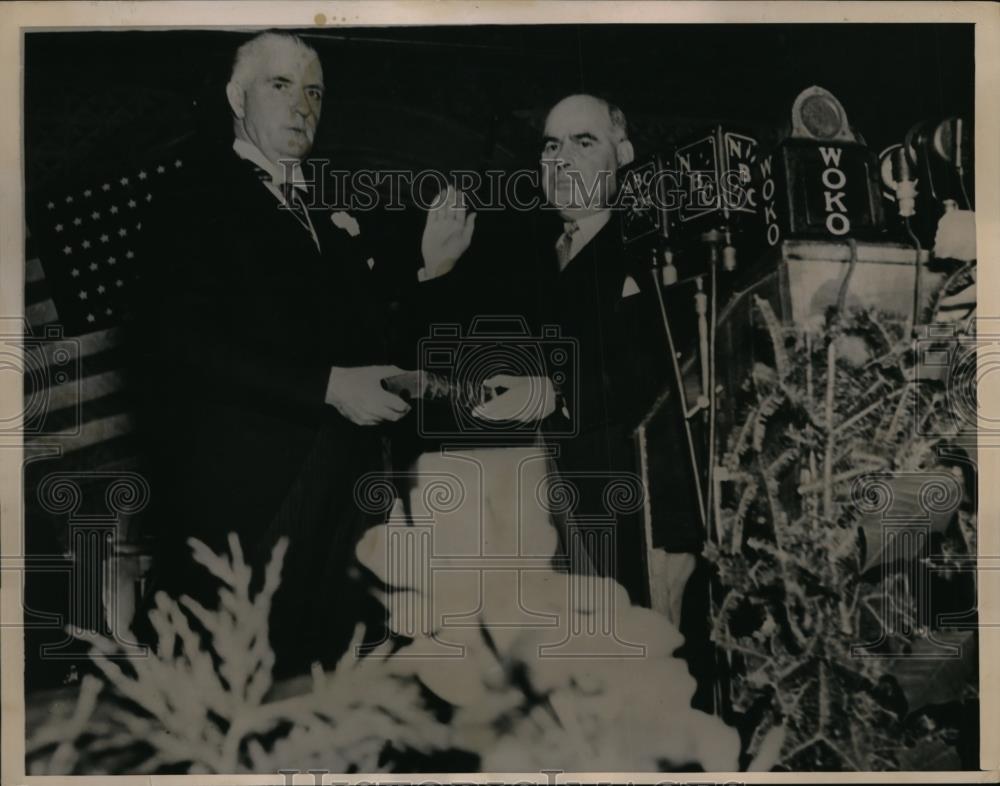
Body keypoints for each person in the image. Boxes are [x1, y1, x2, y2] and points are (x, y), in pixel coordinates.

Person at [135, 31, 422, 678]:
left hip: (344, 494)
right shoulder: (193, 196)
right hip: (247, 502)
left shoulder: (319, 206)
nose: (302, 106)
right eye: (281, 85)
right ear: (237, 98)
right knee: (235, 691)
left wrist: (428, 275)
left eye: (314, 92)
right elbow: (179, 342)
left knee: (330, 685)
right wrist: (326, 386)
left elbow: (359, 337)